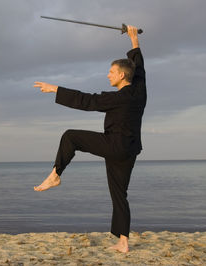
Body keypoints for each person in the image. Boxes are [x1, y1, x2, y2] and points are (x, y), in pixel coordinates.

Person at [33, 25, 146, 253]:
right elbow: (140, 69)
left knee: (70, 136)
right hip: (130, 149)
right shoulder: (139, 90)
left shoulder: (118, 98)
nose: (108, 75)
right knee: (119, 194)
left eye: (111, 72)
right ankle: (123, 242)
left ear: (121, 75)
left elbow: (87, 101)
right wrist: (134, 40)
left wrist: (56, 89)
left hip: (114, 145)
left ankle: (55, 175)